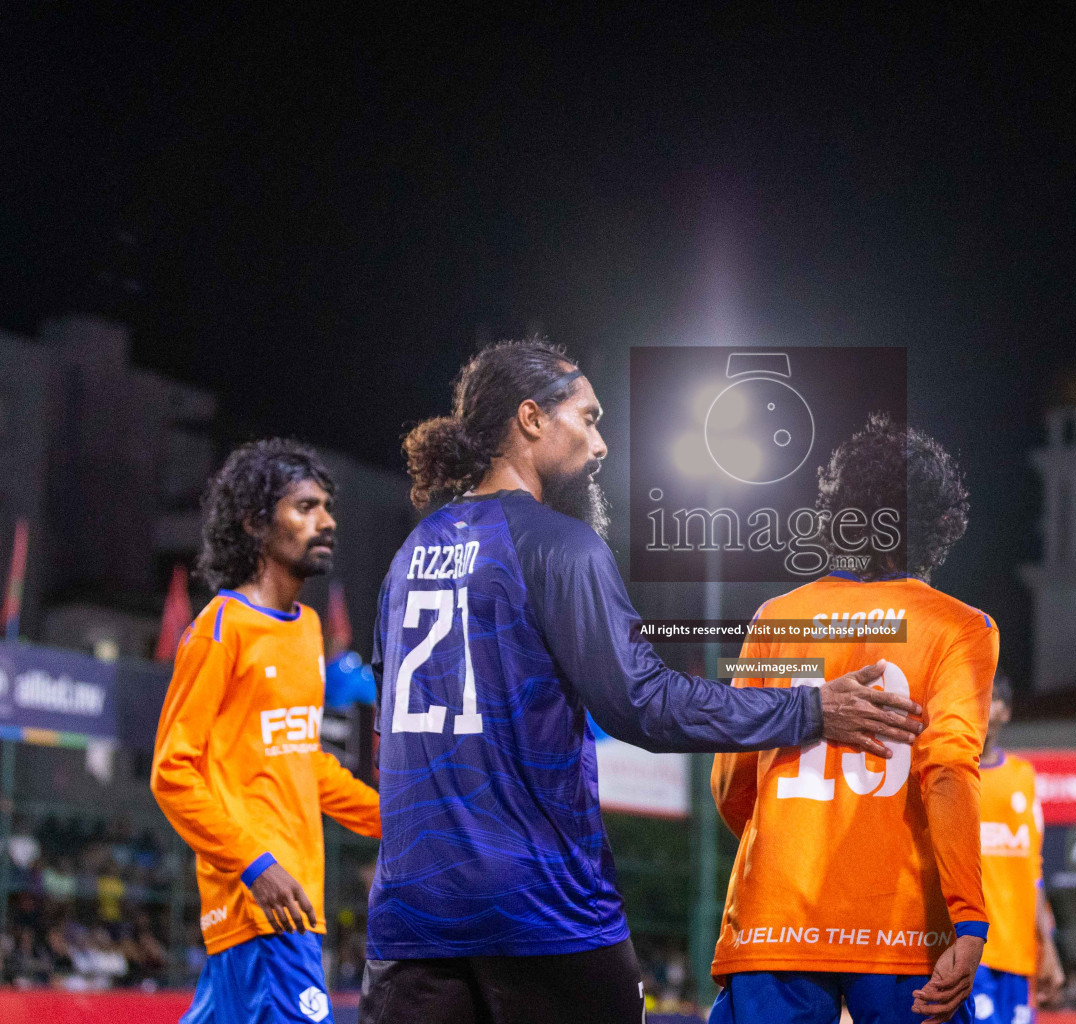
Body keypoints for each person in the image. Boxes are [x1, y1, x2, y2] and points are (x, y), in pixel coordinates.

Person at [358, 341, 922, 1024]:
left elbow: (387, 734)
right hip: (540, 912)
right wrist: (811, 710)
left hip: (411, 916)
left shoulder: (409, 554)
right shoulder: (557, 543)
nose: (600, 445)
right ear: (530, 419)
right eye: (588, 418)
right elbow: (645, 703)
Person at [707, 413, 996, 1024]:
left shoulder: (775, 618)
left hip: (775, 918)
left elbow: (731, 780)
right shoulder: (961, 627)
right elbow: (947, 766)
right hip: (900, 922)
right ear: (939, 523)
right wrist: (968, 912)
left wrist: (786, 841)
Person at [153, 440, 382, 1024]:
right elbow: (172, 773)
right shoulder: (219, 629)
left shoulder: (307, 629)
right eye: (305, 507)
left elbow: (302, 760)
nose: (326, 520)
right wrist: (257, 866)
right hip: (266, 904)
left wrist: (398, 817)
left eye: (327, 506)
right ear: (256, 523)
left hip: (284, 905)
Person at [971, 673, 1064, 1024]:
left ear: (1005, 712)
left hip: (1019, 951)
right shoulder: (948, 772)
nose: (982, 704)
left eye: (991, 697)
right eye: (975, 695)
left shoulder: (1024, 777)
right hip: (968, 948)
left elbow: (1033, 872)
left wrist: (1048, 948)